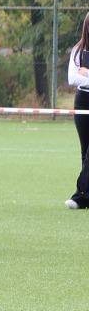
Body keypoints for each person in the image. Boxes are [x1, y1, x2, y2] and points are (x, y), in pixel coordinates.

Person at [68, 13, 89, 210]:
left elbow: (81, 75)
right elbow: (73, 78)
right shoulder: (78, 50)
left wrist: (87, 73)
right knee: (85, 151)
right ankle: (87, 195)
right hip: (82, 101)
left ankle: (80, 195)